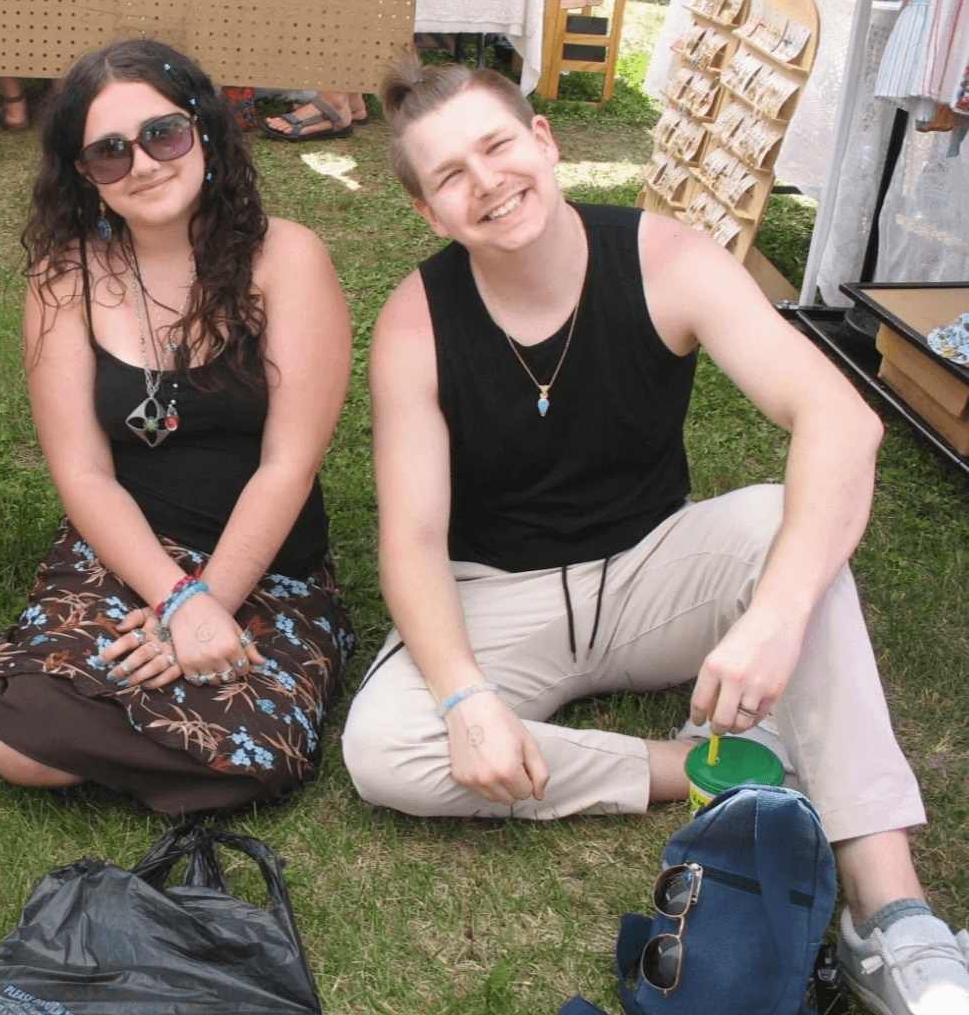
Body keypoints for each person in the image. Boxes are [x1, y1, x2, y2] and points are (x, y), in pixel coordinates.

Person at [339, 55, 969, 1014]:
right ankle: (711, 768)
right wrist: (465, 697)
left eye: (497, 147)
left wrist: (775, 617)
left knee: (778, 523)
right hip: (495, 596)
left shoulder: (664, 258)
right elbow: (412, 542)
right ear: (429, 213)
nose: (487, 183)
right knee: (384, 748)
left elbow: (840, 422)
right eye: (450, 177)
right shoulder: (415, 321)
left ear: (543, 143)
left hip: (651, 575)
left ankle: (890, 915)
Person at [0, 39, 355, 815]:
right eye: (108, 153)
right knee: (24, 747)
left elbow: (288, 464)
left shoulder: (286, 260)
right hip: (124, 553)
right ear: (83, 175)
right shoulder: (62, 278)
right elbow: (82, 473)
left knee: (246, 759)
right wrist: (175, 600)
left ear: (203, 128)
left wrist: (210, 602)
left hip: (266, 563)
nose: (141, 164)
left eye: (162, 134)